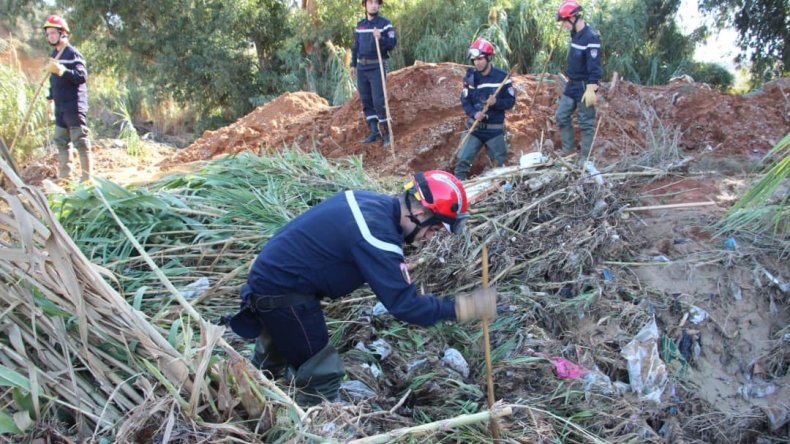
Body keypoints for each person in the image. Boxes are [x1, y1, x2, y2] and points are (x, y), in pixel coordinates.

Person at [229, 170, 497, 405]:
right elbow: (406, 306)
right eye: (434, 229)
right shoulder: (376, 236)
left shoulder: (370, 203)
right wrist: (465, 307)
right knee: (320, 373)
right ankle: (313, 425)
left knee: (276, 354)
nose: (429, 238)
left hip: (272, 276)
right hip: (283, 291)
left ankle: (253, 396)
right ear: (419, 214)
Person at [454, 38, 516, 181]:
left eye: (480, 59)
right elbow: (465, 100)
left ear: (489, 58)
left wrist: (496, 102)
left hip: (494, 131)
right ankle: (459, 190)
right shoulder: (470, 78)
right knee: (461, 163)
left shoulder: (502, 77)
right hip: (473, 129)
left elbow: (511, 102)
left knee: (500, 167)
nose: (477, 63)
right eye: (475, 60)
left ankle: (500, 191)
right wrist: (473, 113)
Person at [43, 14, 92, 182]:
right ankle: (65, 179)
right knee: (61, 141)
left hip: (74, 106)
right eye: (48, 34)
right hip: (60, 107)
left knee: (80, 141)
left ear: (63, 33)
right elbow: (53, 80)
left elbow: (81, 77)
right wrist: (50, 99)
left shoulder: (73, 54)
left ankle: (87, 180)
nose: (50, 36)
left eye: (53, 33)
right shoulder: (55, 54)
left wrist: (62, 70)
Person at [555, 1, 603, 165]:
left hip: (584, 86)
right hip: (571, 85)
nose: (564, 25)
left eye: (565, 21)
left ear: (574, 17)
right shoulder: (575, 34)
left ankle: (585, 159)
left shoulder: (591, 38)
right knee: (561, 116)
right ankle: (568, 151)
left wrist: (592, 88)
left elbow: (595, 67)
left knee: (586, 123)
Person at [351, 0, 397, 149]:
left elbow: (392, 43)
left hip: (377, 65)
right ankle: (374, 131)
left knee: (378, 100)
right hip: (362, 67)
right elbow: (355, 46)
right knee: (366, 99)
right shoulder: (360, 25)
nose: (374, 5)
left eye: (376, 2)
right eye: (370, 2)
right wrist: (353, 64)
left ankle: (387, 133)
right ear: (365, 5)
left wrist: (380, 38)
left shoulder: (385, 24)